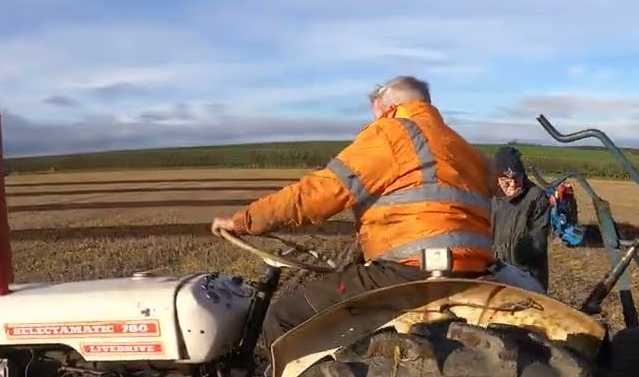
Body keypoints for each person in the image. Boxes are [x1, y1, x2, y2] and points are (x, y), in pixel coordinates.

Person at [210, 75, 495, 357]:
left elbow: (319, 193)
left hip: (409, 270)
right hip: (469, 268)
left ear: (388, 106)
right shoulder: (461, 146)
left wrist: (244, 221)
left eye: (376, 113)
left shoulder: (391, 133)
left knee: (285, 317)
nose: (374, 120)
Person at [490, 146, 551, 290]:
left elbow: (538, 239)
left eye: (516, 178)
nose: (512, 184)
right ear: (497, 179)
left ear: (523, 175)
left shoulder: (536, 197)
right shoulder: (490, 197)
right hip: (493, 274)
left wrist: (518, 256)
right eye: (506, 180)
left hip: (526, 276)